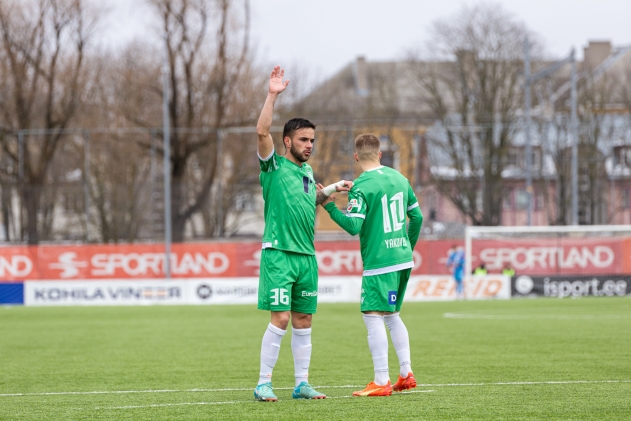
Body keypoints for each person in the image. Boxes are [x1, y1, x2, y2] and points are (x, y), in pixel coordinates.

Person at [253, 66, 352, 402]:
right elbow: (261, 131)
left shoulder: (309, 172)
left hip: (307, 257)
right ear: (287, 141)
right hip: (279, 253)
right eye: (303, 140)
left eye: (312, 140)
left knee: (303, 320)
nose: (309, 145)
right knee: (280, 319)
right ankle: (264, 382)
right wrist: (273, 95)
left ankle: (301, 384)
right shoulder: (273, 166)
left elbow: (313, 201)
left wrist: (335, 188)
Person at [321, 134, 423, 397]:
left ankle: (381, 380)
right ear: (380, 154)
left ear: (356, 157)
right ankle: (406, 374)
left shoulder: (362, 185)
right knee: (392, 316)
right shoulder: (400, 178)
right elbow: (417, 216)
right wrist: (407, 246)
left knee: (372, 315)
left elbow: (353, 226)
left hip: (380, 261)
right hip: (402, 258)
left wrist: (329, 206)